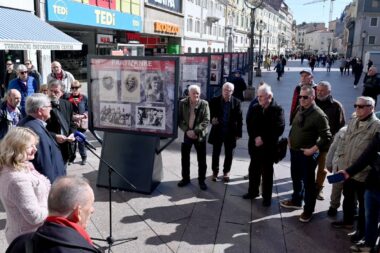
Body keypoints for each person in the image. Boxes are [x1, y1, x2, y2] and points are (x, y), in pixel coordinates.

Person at [6, 176, 100, 253]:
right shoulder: (84, 249)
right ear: (77, 213)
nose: (92, 210)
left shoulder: (20, 243)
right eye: (91, 205)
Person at [331, 96, 380, 244]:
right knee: (348, 198)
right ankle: (347, 221)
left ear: (371, 108)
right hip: (347, 169)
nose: (357, 109)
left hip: (363, 174)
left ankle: (361, 232)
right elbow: (345, 142)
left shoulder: (377, 126)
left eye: (361, 106)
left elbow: (371, 153)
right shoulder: (353, 121)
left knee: (365, 207)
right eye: (355, 105)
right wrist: (339, 162)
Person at [280, 86, 332, 223]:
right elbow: (295, 126)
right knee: (296, 178)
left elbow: (327, 136)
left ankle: (308, 210)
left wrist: (313, 150)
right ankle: (297, 200)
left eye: (305, 97)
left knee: (309, 184)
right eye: (300, 97)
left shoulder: (319, 115)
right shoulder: (299, 108)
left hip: (307, 154)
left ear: (312, 97)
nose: (301, 99)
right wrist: (290, 139)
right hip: (295, 151)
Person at [0, 127, 50, 244]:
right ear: (16, 148)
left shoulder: (17, 166)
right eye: (30, 146)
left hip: (28, 233)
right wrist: (56, 209)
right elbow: (34, 217)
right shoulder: (17, 180)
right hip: (29, 238)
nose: (35, 149)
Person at [243, 84, 285, 206]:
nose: (258, 98)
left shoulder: (277, 109)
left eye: (261, 96)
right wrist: (255, 137)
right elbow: (249, 124)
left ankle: (266, 198)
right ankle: (253, 192)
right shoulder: (255, 107)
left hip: (268, 148)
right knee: (253, 170)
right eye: (258, 96)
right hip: (255, 146)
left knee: (267, 174)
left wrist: (263, 139)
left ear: (269, 96)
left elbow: (279, 128)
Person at [338, 132, 380, 253]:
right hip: (373, 185)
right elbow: (366, 157)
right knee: (370, 218)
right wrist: (349, 172)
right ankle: (368, 246)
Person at [18, 93, 66, 183]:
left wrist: (54, 136)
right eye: (49, 106)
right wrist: (51, 188)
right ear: (40, 111)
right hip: (49, 184)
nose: (51, 109)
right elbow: (44, 164)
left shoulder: (27, 123)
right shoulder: (36, 132)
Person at [315, 81, 345, 200]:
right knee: (307, 168)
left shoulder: (336, 106)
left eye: (322, 90)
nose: (319, 92)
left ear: (329, 92)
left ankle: (319, 189)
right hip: (311, 142)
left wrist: (334, 140)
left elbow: (341, 126)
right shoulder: (311, 102)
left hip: (326, 144)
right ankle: (308, 187)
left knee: (323, 169)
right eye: (318, 90)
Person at [208, 82, 243, 182]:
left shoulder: (237, 102)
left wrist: (238, 133)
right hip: (218, 131)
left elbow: (240, 119)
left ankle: (226, 172)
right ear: (222, 90)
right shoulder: (214, 100)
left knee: (229, 154)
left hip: (230, 132)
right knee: (216, 153)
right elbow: (209, 114)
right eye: (225, 90)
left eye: (229, 90)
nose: (227, 92)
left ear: (232, 91)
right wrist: (212, 120)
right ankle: (215, 171)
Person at [178, 84, 210, 190]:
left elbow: (206, 120)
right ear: (189, 94)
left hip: (199, 135)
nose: (196, 95)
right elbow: (179, 119)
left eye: (197, 93)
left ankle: (202, 181)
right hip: (186, 134)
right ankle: (185, 178)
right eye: (194, 93)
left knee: (201, 159)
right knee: (185, 158)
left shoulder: (204, 104)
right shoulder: (182, 103)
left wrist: (195, 131)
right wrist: (187, 131)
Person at [46, 81, 77, 166]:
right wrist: (54, 136)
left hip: (65, 147)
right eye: (50, 91)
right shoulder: (43, 105)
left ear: (62, 93)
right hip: (50, 146)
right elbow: (39, 128)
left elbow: (71, 123)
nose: (52, 94)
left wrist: (72, 134)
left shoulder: (67, 104)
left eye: (56, 92)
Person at [325, 126, 348, 217]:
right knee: (336, 187)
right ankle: (333, 206)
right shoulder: (342, 131)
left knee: (352, 190)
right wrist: (329, 164)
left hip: (354, 168)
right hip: (339, 166)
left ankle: (353, 207)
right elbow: (332, 148)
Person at [66, 80, 88, 165]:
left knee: (81, 141)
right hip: (71, 123)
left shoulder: (84, 98)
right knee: (72, 142)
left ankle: (84, 157)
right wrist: (71, 116)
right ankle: (71, 158)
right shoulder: (67, 97)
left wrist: (83, 115)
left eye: (76, 88)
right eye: (72, 88)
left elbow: (88, 109)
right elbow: (65, 109)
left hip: (81, 123)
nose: (74, 90)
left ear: (80, 88)